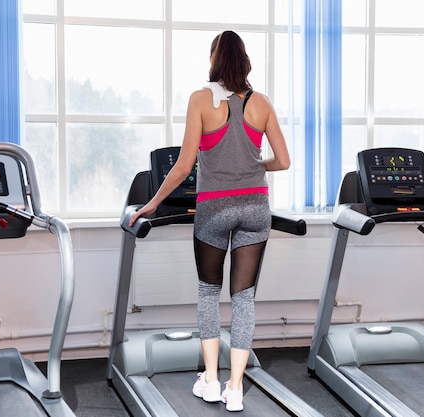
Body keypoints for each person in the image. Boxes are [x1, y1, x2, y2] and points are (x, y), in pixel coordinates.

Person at [128, 30, 290, 412]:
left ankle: (212, 381)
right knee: (244, 298)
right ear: (245, 60)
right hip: (255, 206)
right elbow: (282, 161)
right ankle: (236, 387)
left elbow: (185, 165)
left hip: (214, 209)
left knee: (207, 293)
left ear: (215, 59)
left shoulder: (201, 99)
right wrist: (253, 165)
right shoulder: (261, 103)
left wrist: (152, 203)